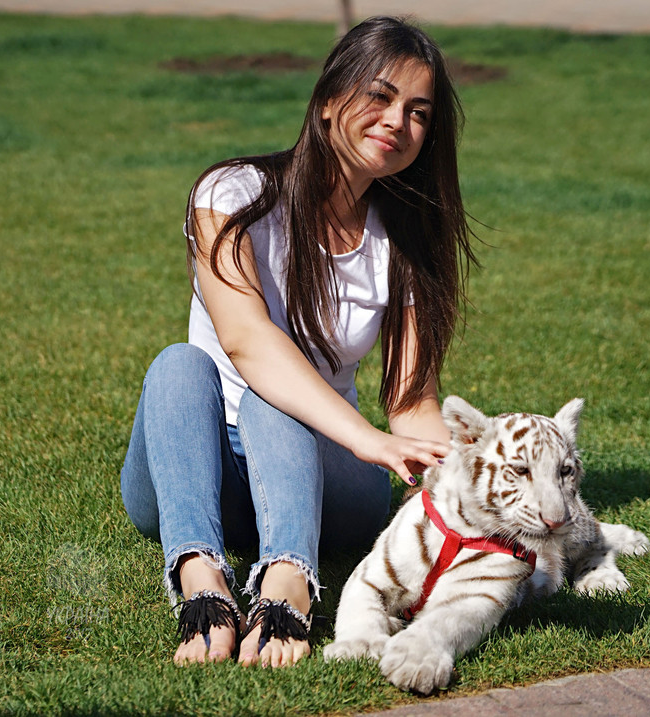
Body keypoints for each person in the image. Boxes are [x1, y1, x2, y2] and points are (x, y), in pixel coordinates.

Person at [120, 15, 477, 668]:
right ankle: (203, 583)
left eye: (419, 112)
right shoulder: (231, 196)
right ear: (326, 101)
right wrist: (367, 437)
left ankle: (288, 586)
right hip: (197, 470)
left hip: (321, 479)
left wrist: (475, 480)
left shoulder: (404, 245)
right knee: (179, 366)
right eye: (380, 95)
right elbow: (249, 342)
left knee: (271, 405)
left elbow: (411, 402)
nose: (398, 120)